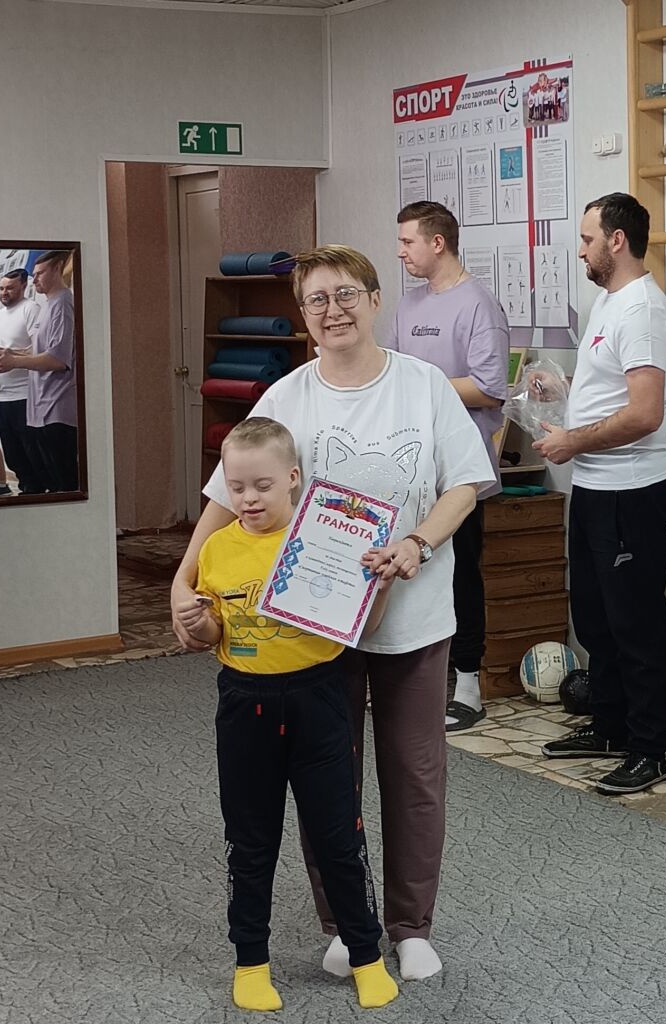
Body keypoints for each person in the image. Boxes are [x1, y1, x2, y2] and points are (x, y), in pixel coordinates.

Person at [171, 245, 494, 981]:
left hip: (412, 615)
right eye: (317, 299)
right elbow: (227, 492)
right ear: (303, 315)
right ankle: (347, 924)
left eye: (347, 294)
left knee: (414, 775)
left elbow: (464, 486)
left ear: (376, 300)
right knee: (327, 782)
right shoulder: (285, 396)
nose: (333, 310)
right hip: (310, 628)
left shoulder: (423, 385)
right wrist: (182, 580)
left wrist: (417, 542)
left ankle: (411, 926)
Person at [174, 416, 398, 1012]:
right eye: (236, 487)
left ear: (293, 478)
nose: (248, 499)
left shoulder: (329, 540)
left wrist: (380, 583)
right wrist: (201, 622)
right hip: (244, 703)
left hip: (319, 699)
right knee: (250, 841)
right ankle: (250, 962)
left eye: (263, 486)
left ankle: (366, 955)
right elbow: (215, 631)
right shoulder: (216, 549)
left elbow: (361, 625)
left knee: (338, 837)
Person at [535, 192, 666, 795]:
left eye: (588, 239)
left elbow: (645, 413)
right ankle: (610, 726)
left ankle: (649, 749)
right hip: (596, 485)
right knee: (596, 620)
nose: (581, 250)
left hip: (632, 488)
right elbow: (610, 388)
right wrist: (562, 390)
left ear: (617, 241)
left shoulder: (642, 310)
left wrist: (574, 440)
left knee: (636, 624)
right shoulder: (609, 301)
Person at [391, 201, 510, 732]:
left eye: (408, 242)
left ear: (437, 243)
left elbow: (488, 388)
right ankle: (410, 679)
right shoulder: (408, 303)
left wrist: (423, 385)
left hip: (459, 468)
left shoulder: (478, 305)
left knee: (461, 575)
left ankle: (468, 688)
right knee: (407, 569)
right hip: (409, 465)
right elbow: (391, 370)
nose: (401, 252)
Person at [0, 251, 78, 492]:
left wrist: (14, 361)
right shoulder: (47, 305)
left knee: (55, 471)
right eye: (1, 288)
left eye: (40, 273)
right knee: (20, 457)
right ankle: (33, 494)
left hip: (46, 400)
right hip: (23, 399)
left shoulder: (52, 305)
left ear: (58, 268)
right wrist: (11, 354)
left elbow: (57, 358)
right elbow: (38, 348)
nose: (35, 279)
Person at [0, 268, 45, 494]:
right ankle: (26, 489)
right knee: (13, 453)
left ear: (24, 286)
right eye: (1, 288)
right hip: (2, 394)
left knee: (32, 450)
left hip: (25, 393)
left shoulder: (30, 309)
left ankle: (39, 492)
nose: (4, 292)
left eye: (10, 288)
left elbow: (43, 349)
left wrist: (13, 358)